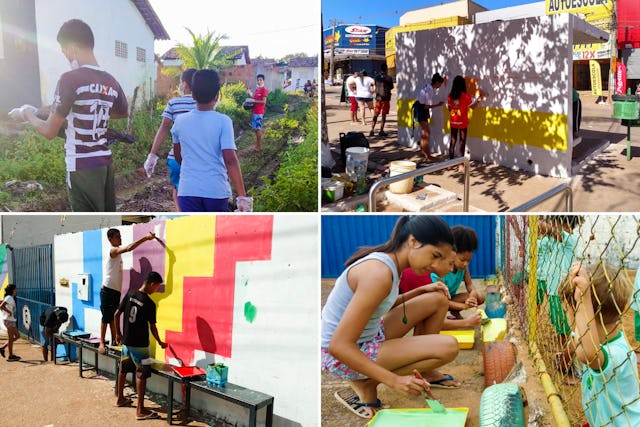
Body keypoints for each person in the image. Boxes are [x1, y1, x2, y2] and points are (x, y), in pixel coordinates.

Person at [321, 216, 460, 419]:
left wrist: (422, 290)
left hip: (369, 336)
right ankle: (369, 383)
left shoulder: (391, 263)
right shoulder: (378, 273)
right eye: (435, 255)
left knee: (437, 300)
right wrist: (394, 380)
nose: (436, 265)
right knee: (448, 347)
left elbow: (379, 306)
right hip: (342, 356)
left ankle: (417, 367)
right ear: (413, 242)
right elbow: (339, 346)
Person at [10, 19, 127, 212]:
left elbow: (48, 131)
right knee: (105, 220)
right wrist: (92, 113)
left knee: (86, 225)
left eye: (64, 50)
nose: (64, 55)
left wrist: (26, 113)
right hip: (105, 164)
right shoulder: (111, 81)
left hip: (81, 166)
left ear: (72, 48)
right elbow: (122, 112)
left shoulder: (70, 79)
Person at [560, 262, 640, 426]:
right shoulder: (596, 340)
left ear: (584, 314)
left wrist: (583, 300)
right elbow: (577, 340)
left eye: (570, 311)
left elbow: (587, 354)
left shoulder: (617, 354)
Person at [171, 69, 251, 212]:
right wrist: (242, 197)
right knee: (214, 232)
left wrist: (194, 167)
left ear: (193, 94)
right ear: (217, 94)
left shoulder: (180, 121)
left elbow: (178, 156)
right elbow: (230, 160)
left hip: (188, 190)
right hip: (216, 191)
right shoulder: (223, 121)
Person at [114, 271, 168, 420]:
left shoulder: (130, 294)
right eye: (156, 287)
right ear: (151, 284)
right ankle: (140, 410)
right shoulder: (149, 304)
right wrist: (160, 342)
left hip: (126, 343)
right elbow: (153, 327)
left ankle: (120, 399)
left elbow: (116, 315)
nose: (155, 290)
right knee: (141, 374)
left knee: (123, 369)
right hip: (141, 347)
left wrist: (118, 334)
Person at [144, 68, 198, 211]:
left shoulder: (174, 104)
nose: (180, 86)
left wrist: (152, 155)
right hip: (199, 159)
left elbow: (163, 128)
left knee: (178, 192)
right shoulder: (204, 105)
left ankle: (181, 218)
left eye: (180, 82)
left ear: (185, 84)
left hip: (177, 158)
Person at [99, 228, 156, 354]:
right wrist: (146, 238)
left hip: (115, 291)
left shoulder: (117, 255)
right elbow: (129, 248)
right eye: (117, 237)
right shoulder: (113, 251)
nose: (120, 239)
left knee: (113, 315)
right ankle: (102, 342)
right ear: (110, 239)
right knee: (106, 317)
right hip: (108, 289)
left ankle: (114, 340)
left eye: (120, 236)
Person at [414, 73, 445, 162]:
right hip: (421, 111)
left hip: (419, 110)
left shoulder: (427, 87)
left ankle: (423, 151)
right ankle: (428, 155)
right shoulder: (430, 90)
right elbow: (426, 106)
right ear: (437, 82)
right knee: (427, 133)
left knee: (424, 132)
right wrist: (438, 105)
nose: (440, 86)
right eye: (440, 84)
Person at [447, 76, 479, 161]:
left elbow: (449, 108)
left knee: (453, 141)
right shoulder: (465, 96)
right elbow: (472, 107)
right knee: (462, 142)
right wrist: (479, 99)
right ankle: (461, 164)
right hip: (463, 122)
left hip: (453, 122)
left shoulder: (450, 96)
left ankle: (450, 162)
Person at [370, 63, 394, 138]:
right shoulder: (389, 77)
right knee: (383, 115)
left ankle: (372, 130)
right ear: (386, 69)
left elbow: (375, 85)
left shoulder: (376, 77)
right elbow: (391, 87)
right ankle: (381, 131)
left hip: (378, 98)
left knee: (375, 114)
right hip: (385, 98)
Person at [246, 74, 268, 151]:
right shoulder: (257, 90)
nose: (259, 81)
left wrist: (254, 100)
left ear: (263, 81)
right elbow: (253, 99)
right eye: (258, 80)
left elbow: (264, 101)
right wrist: (249, 94)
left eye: (260, 80)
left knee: (258, 129)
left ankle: (259, 146)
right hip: (254, 111)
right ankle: (257, 145)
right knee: (255, 129)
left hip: (259, 112)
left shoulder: (264, 90)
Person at [0, 284, 20, 361]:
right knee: (11, 338)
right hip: (9, 320)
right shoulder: (9, 297)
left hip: (11, 320)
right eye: (15, 289)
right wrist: (9, 312)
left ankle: (2, 348)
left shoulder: (9, 297)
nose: (16, 291)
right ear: (12, 290)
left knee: (17, 336)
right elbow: (1, 306)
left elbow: (1, 303)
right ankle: (11, 355)